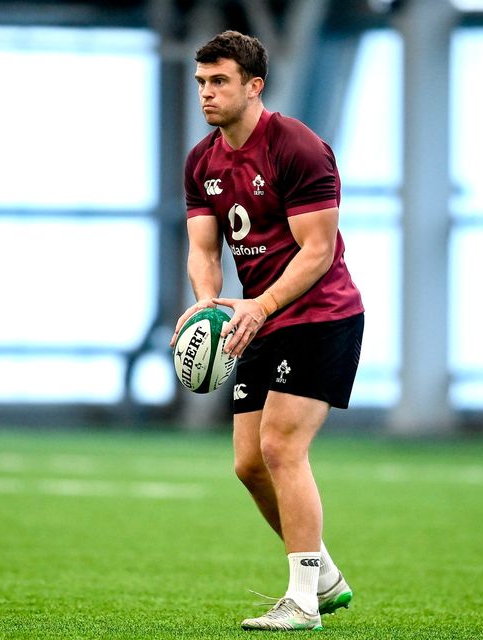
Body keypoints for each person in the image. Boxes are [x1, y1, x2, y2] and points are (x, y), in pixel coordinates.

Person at [171, 31, 364, 631]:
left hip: (320, 313)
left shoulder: (297, 146)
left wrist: (260, 305)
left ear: (254, 86)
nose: (206, 92)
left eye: (220, 80)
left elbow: (317, 249)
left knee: (281, 447)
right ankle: (324, 575)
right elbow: (203, 248)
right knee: (248, 465)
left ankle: (302, 602)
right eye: (202, 81)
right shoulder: (202, 161)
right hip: (259, 318)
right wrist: (208, 306)